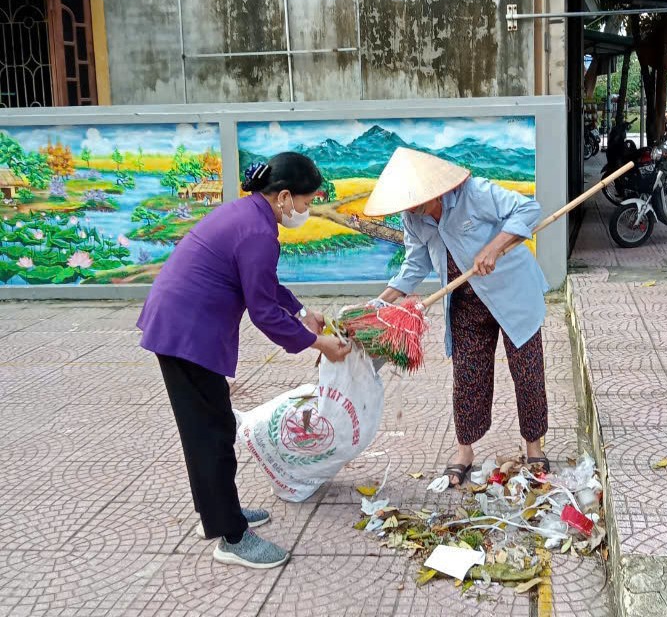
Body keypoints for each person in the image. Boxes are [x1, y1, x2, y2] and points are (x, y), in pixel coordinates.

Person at [138, 152, 351, 569]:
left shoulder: (249, 214)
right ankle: (232, 537)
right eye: (306, 203)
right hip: (186, 333)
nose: (306, 211)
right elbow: (263, 311)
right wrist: (318, 344)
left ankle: (218, 515)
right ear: (285, 197)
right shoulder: (257, 231)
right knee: (212, 434)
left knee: (211, 426)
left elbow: (264, 284)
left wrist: (303, 311)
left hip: (184, 326)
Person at [367, 148, 550, 487]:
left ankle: (533, 446)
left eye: (415, 199)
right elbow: (415, 264)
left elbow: (528, 209)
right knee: (467, 376)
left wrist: (493, 247)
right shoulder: (413, 218)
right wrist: (379, 303)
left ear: (433, 189)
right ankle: (464, 451)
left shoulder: (474, 193)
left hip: (512, 293)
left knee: (526, 371)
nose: (410, 207)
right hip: (465, 303)